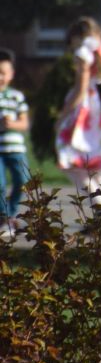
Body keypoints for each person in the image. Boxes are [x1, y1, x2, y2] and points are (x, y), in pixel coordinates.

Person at [54, 19, 101, 202]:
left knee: (72, 159)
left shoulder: (84, 53)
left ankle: (100, 202)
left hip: (87, 110)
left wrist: (62, 116)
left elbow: (81, 90)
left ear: (76, 37)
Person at [0, 49, 28, 239]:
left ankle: (10, 213)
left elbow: (25, 123)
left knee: (22, 181)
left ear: (11, 74)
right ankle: (4, 219)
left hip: (16, 148)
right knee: (0, 184)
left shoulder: (16, 96)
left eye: (3, 72)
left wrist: (12, 124)